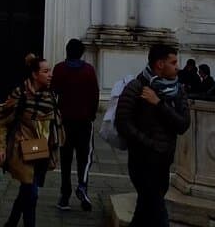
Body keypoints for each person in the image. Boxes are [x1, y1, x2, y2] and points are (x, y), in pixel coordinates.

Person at [115, 43, 191, 227]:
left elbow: (183, 125)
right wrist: (148, 144)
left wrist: (159, 104)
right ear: (159, 64)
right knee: (157, 211)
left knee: (145, 209)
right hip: (142, 161)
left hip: (164, 161)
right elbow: (122, 122)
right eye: (173, 62)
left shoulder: (178, 91)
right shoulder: (136, 87)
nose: (177, 66)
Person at [0, 53, 64, 227]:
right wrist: (0, 148)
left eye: (50, 71)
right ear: (34, 74)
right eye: (46, 71)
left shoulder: (52, 96)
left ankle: (11, 223)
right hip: (22, 148)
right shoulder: (20, 94)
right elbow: (3, 121)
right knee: (31, 193)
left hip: (42, 150)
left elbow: (56, 123)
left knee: (27, 191)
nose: (50, 75)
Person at [51, 38, 99, 212]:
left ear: (66, 51)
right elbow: (95, 95)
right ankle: (82, 186)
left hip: (65, 122)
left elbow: (53, 94)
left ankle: (65, 196)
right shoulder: (89, 71)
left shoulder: (59, 69)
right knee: (85, 158)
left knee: (65, 158)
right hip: (84, 121)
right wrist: (91, 115)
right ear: (82, 53)